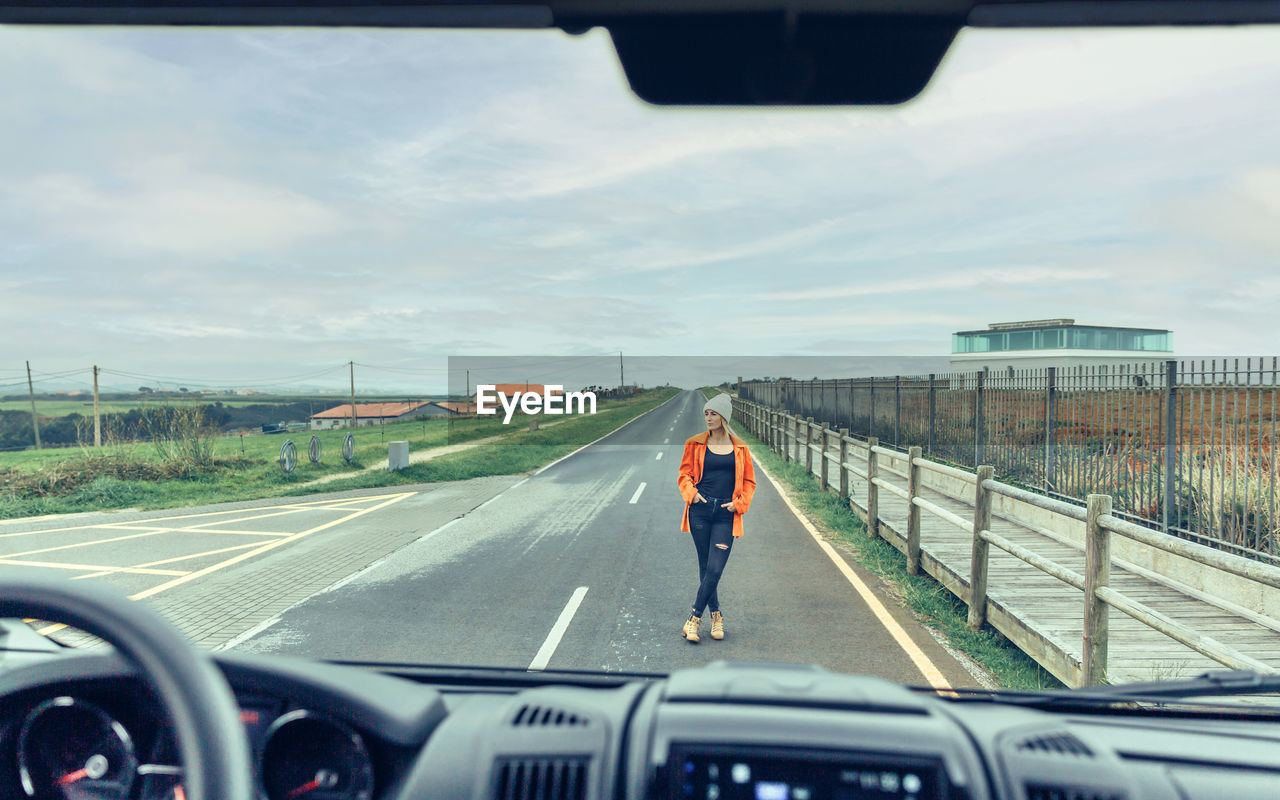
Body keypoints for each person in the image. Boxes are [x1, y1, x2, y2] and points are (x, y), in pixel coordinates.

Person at [676, 392, 756, 643]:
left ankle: (694, 619)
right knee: (705, 567)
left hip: (725, 514)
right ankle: (717, 617)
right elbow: (684, 475)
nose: (708, 418)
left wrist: (740, 504)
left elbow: (750, 482)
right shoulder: (695, 443)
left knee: (714, 568)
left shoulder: (740, 447)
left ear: (723, 417)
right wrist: (692, 494)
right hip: (700, 510)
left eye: (713, 414)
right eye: (706, 414)